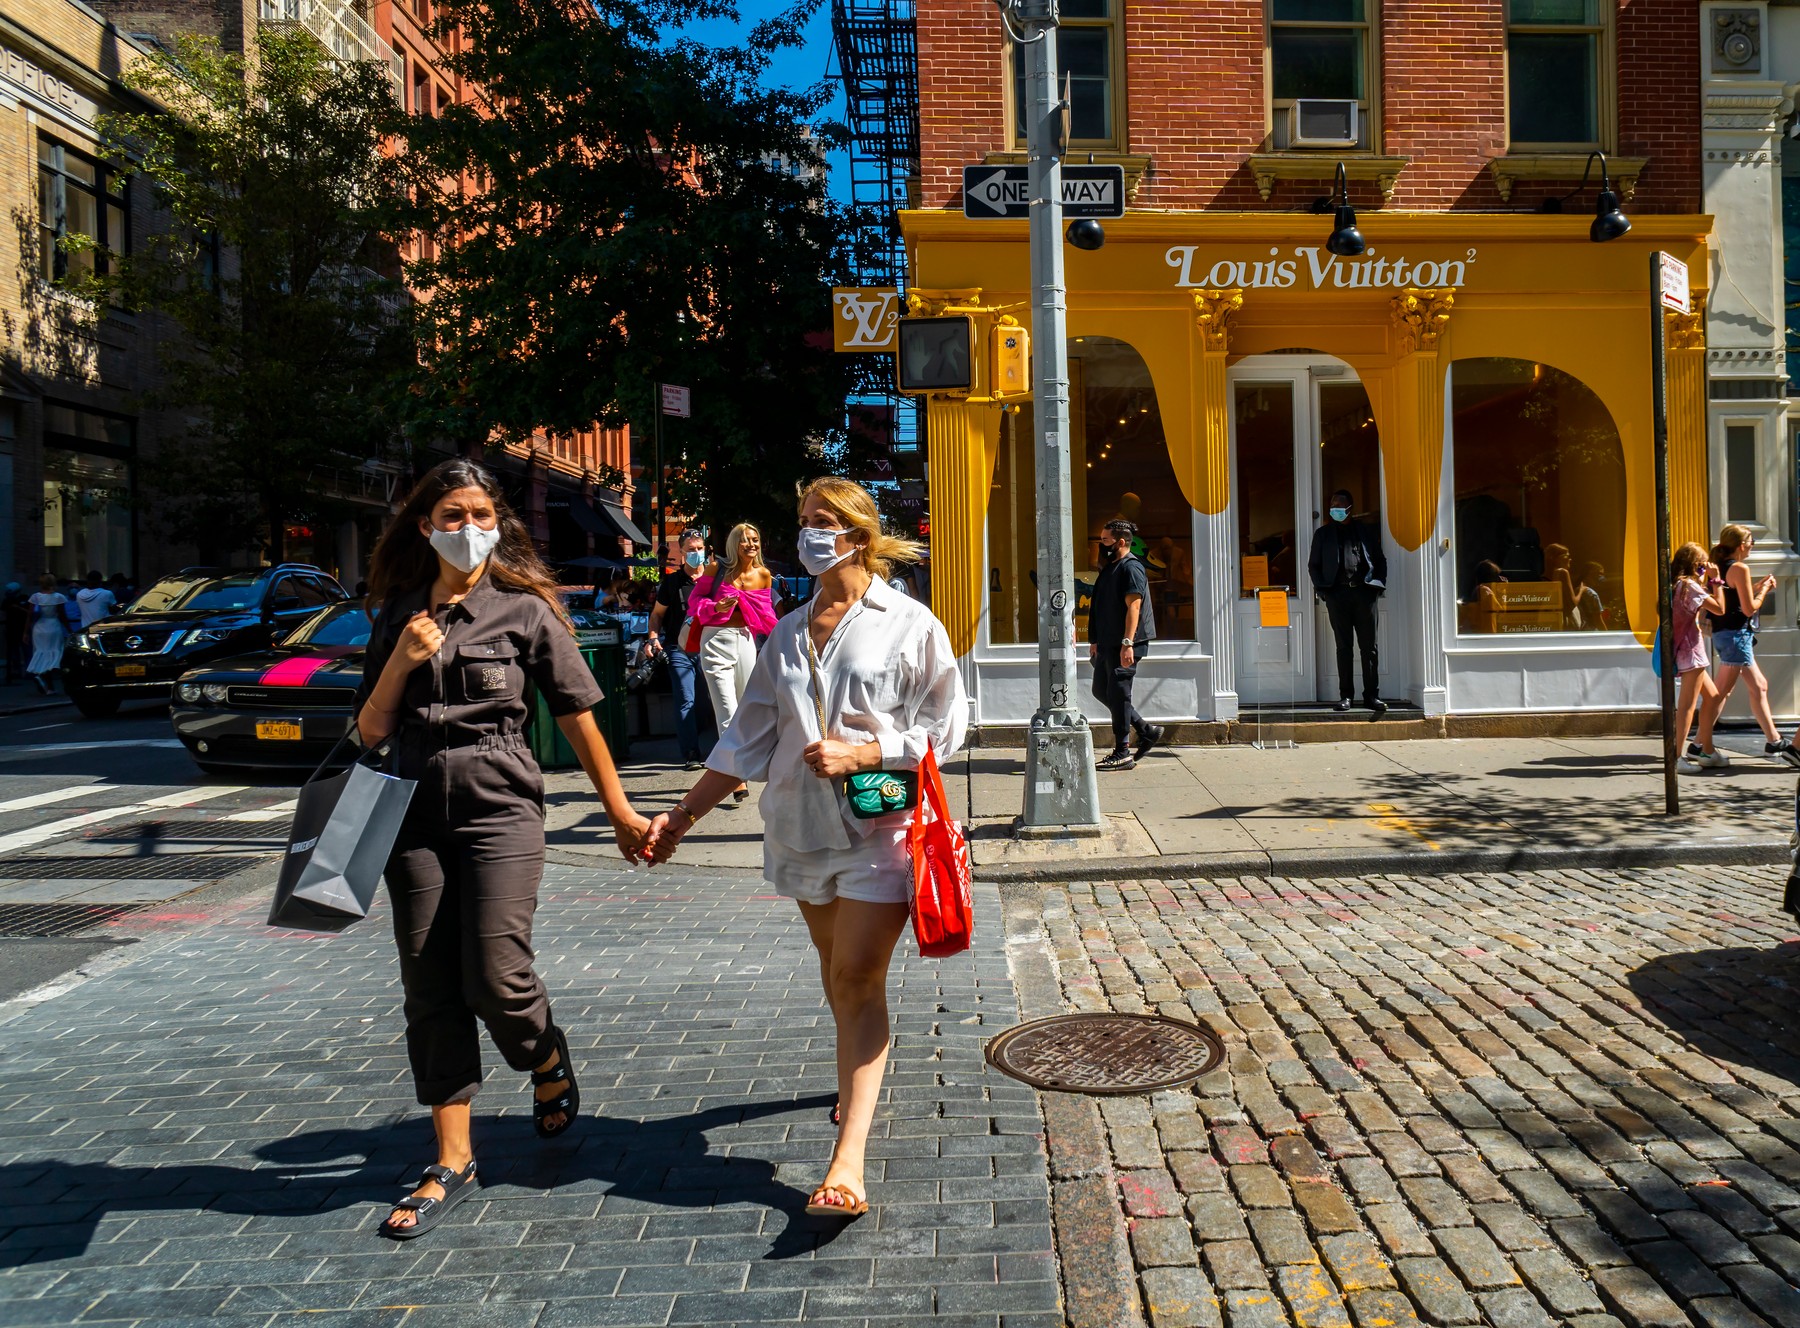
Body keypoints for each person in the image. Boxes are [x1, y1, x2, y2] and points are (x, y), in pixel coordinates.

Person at [644, 477, 967, 1220]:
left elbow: (947, 729)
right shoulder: (787, 630)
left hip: (878, 823)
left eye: (825, 521)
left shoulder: (911, 624)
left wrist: (868, 751)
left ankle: (848, 1159)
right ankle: (856, 1071)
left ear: (859, 534)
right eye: (804, 521)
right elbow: (746, 737)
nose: (810, 533)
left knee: (856, 977)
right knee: (835, 974)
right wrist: (682, 819)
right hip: (797, 828)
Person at [354, 458, 654, 1242]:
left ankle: (542, 1050)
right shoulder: (395, 615)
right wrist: (402, 658)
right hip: (410, 809)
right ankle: (452, 1157)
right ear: (424, 525)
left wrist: (619, 809)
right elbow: (370, 731)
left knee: (496, 971)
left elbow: (581, 712)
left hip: (500, 808)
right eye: (451, 515)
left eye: (481, 513)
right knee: (429, 981)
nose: (468, 528)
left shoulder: (524, 611)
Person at [1696, 524, 1800, 767]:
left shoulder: (1720, 566)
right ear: (1742, 546)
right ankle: (1699, 744)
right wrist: (1764, 589)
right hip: (1736, 636)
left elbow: (1732, 598)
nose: (1752, 546)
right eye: (1751, 542)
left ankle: (1773, 740)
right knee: (1720, 693)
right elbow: (1749, 608)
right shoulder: (1740, 568)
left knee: (1759, 686)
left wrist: (1755, 587)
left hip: (1726, 635)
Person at [689, 523, 778, 806]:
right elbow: (695, 601)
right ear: (733, 544)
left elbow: (766, 616)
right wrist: (716, 607)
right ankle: (735, 775)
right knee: (726, 708)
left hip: (745, 640)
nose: (751, 544)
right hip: (715, 639)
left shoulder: (764, 576)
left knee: (746, 706)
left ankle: (742, 762)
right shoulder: (717, 570)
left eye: (755, 539)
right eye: (744, 540)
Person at [1089, 518, 1162, 771]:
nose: (1101, 544)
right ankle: (1145, 730)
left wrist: (1127, 643)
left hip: (1125, 643)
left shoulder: (1132, 568)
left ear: (1120, 542)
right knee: (1101, 690)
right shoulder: (1110, 567)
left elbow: (1134, 607)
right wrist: (1095, 640)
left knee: (1120, 694)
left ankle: (1123, 752)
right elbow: (1100, 607)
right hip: (1108, 643)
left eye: (1105, 540)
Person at [1307, 489, 1388, 714]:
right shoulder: (1323, 535)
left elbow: (1380, 560)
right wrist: (1324, 592)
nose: (1336, 510)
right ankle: (1346, 696)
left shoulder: (1365, 531)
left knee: (1369, 648)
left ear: (1350, 509)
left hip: (1364, 595)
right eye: (1333, 506)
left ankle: (1372, 695)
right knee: (1344, 648)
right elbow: (1313, 565)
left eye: (1340, 507)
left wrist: (1377, 588)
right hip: (1338, 596)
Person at [646, 528, 711, 770]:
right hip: (679, 649)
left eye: (700, 549)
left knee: (710, 702)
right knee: (686, 700)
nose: (696, 554)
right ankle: (691, 753)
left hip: (711, 648)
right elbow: (657, 615)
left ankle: (719, 751)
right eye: (691, 550)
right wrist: (653, 638)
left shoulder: (714, 580)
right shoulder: (672, 583)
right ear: (682, 553)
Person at [1668, 544, 1727, 774]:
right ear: (1696, 566)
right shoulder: (1689, 586)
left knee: (1712, 698)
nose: (1706, 569)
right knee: (1687, 707)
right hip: (1691, 652)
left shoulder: (1678, 584)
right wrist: (1716, 580)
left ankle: (1707, 750)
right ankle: (1676, 758)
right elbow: (1720, 608)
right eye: (1703, 566)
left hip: (1692, 650)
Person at [27, 574, 69, 695]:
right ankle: (47, 680)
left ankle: (41, 676)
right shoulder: (59, 597)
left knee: (40, 652)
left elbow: (30, 616)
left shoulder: (35, 597)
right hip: (53, 626)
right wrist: (69, 629)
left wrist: (25, 632)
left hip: (39, 627)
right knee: (55, 653)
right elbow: (62, 616)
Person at [3, 582, 29, 685]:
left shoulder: (24, 599)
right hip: (11, 629)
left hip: (23, 628)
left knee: (26, 651)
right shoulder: (7, 601)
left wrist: (18, 608)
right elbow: (4, 614)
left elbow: (29, 612)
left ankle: (28, 671)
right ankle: (16, 671)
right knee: (14, 652)